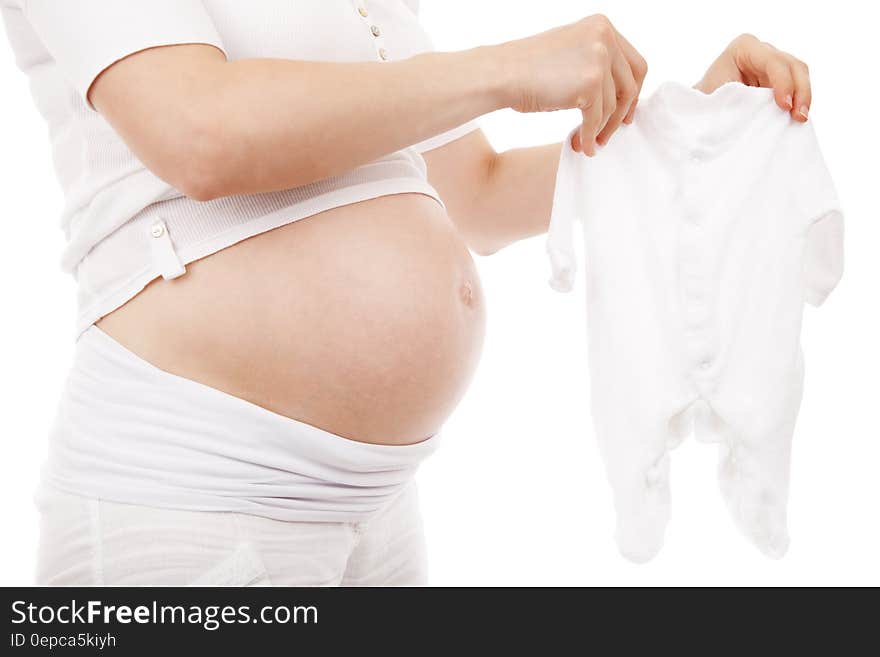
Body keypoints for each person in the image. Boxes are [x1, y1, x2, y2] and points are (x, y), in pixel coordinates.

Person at [1, 1, 812, 585]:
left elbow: (482, 196)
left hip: (380, 507)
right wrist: (500, 69)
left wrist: (694, 128)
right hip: (191, 489)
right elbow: (200, 133)